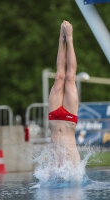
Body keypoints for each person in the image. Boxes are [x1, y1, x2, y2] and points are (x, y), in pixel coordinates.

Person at [48, 20, 80, 166]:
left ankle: (67, 39)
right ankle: (63, 39)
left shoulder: (73, 166)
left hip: (60, 118)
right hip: (64, 118)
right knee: (65, 77)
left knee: (65, 77)